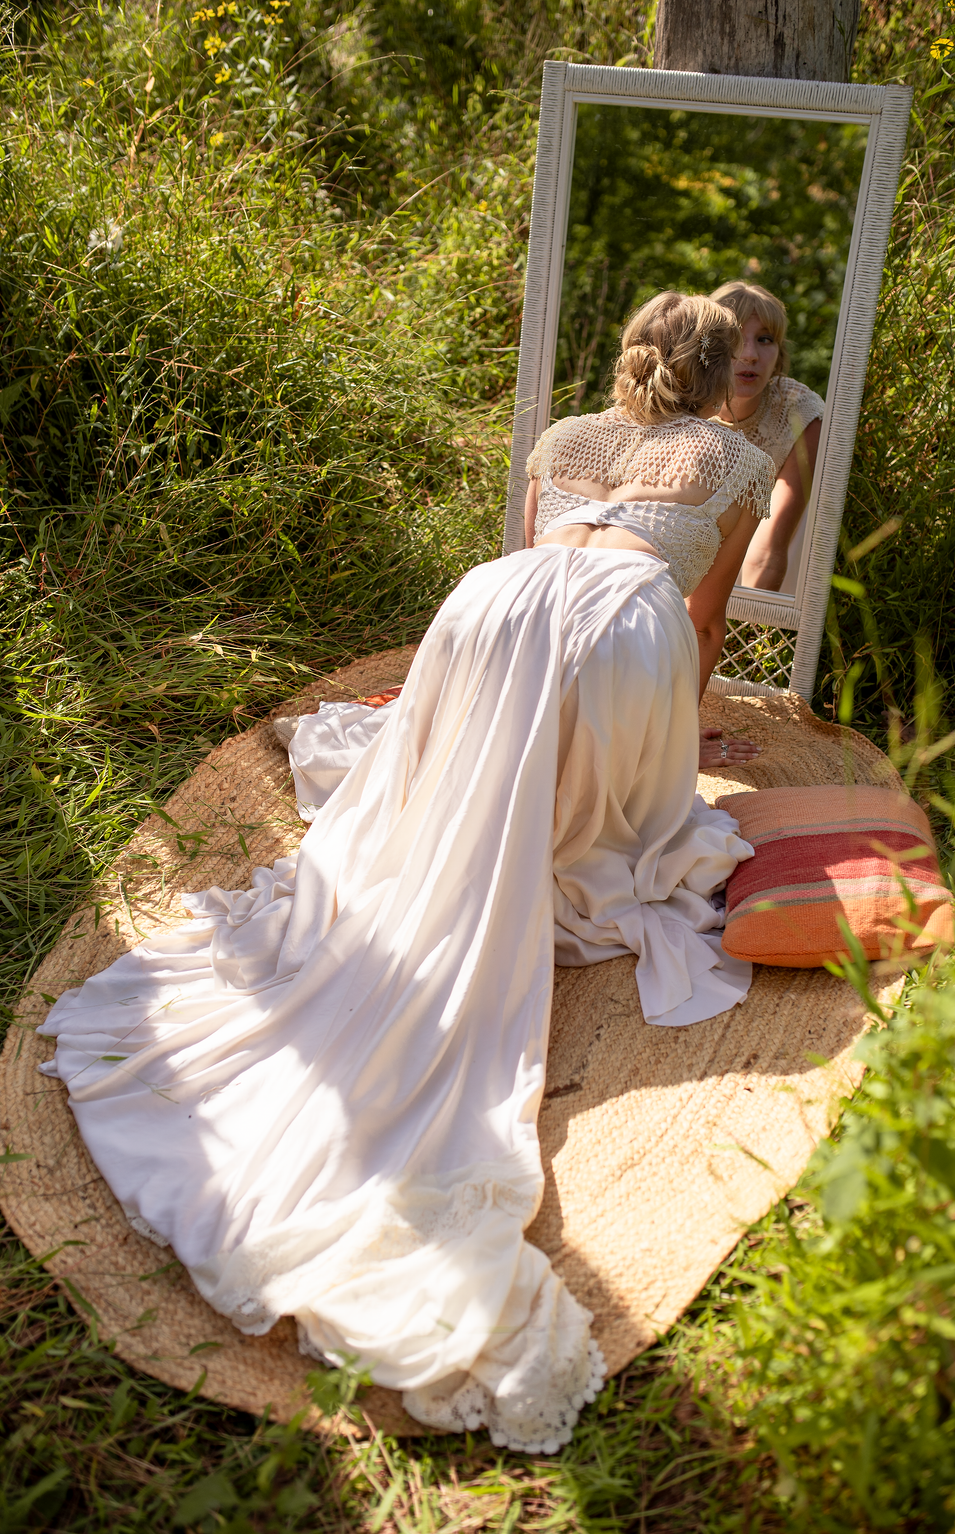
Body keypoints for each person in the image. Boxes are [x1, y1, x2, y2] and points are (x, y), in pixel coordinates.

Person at [37, 293, 775, 1455]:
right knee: (634, 795)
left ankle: (486, 799)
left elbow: (524, 563)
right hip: (620, 631)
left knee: (459, 770)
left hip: (486, 616)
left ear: (629, 359)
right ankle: (583, 826)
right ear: (728, 375)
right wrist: (683, 747)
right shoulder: (737, 456)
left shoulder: (560, 438)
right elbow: (706, 620)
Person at [708, 280, 825, 592]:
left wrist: (746, 636)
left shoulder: (799, 413)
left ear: (779, 352)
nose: (749, 355)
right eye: (734, 338)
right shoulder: (677, 402)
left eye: (764, 339)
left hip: (764, 586)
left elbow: (768, 554)